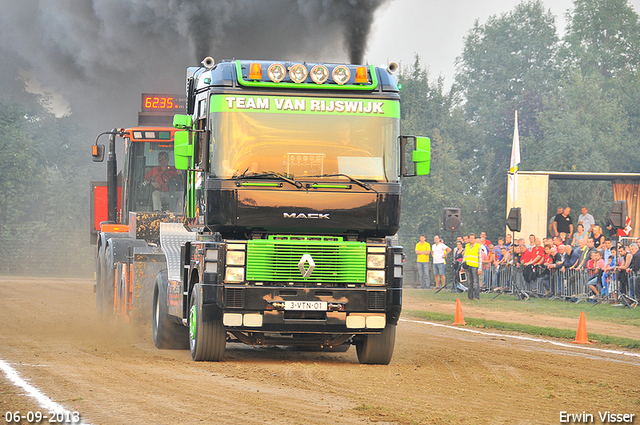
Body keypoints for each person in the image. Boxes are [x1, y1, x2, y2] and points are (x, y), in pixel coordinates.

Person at [463, 233, 482, 300]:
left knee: (475, 282)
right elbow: (465, 256)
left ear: (475, 239)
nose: (471, 239)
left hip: (474, 266)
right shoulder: (467, 246)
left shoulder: (478, 246)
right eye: (470, 238)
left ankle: (476, 296)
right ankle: (470, 296)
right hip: (468, 265)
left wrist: (480, 268)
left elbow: (480, 258)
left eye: (473, 238)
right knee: (469, 282)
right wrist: (463, 266)